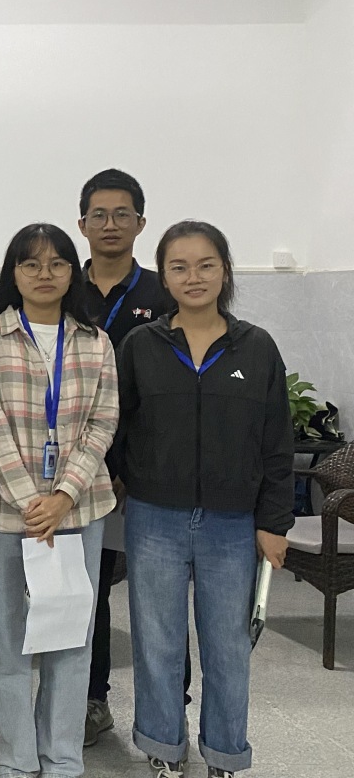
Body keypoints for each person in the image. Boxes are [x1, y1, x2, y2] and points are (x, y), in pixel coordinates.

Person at [116, 221, 293, 778]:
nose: (193, 277)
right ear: (164, 277)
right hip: (154, 518)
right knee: (158, 643)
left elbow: (276, 443)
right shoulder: (140, 346)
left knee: (228, 647)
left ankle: (224, 754)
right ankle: (164, 748)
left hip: (232, 523)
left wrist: (274, 523)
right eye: (179, 267)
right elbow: (117, 428)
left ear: (225, 271)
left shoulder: (256, 348)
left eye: (206, 265)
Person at [0, 223, 118, 778]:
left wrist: (63, 496)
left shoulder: (95, 340)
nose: (44, 274)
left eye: (57, 263)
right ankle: (14, 758)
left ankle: (62, 758)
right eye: (30, 264)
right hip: (4, 512)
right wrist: (33, 502)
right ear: (13, 273)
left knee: (71, 638)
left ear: (72, 272)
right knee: (10, 641)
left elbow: (103, 422)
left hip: (79, 511)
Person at [74, 168, 174, 747]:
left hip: (145, 471)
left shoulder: (163, 294)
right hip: (77, 469)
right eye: (99, 215)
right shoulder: (65, 287)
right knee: (86, 588)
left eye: (122, 214)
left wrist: (131, 469)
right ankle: (91, 700)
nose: (109, 224)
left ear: (141, 222)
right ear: (81, 223)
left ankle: (170, 711)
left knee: (158, 593)